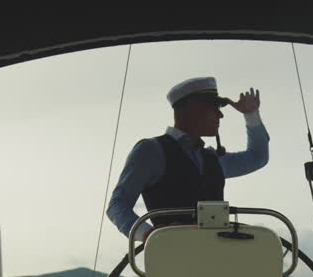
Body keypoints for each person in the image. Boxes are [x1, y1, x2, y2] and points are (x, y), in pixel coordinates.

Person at [106, 76, 269, 240]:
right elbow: (117, 206)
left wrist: (251, 114)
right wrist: (149, 235)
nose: (220, 115)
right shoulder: (151, 150)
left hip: (219, 258)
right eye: (215, 108)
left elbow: (258, 157)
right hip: (174, 259)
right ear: (193, 107)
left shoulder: (212, 158)